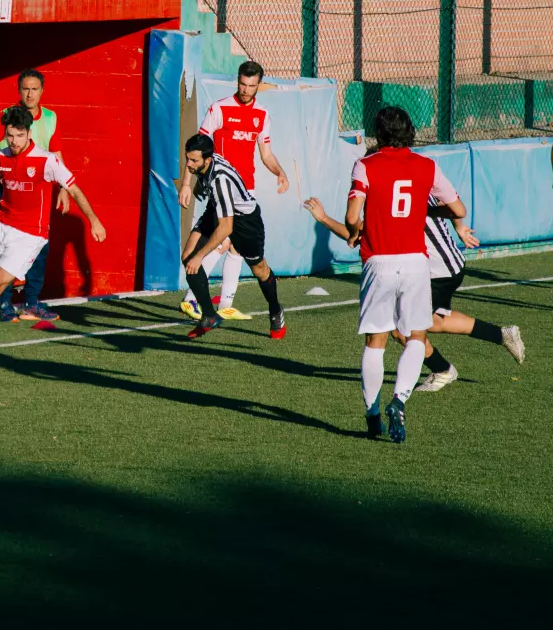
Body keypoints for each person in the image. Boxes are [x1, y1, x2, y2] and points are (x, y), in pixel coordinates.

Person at [304, 195, 524, 391]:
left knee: (402, 329)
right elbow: (452, 198)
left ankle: (443, 370)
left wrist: (323, 218)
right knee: (434, 321)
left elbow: (361, 236)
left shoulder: (387, 195)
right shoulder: (417, 172)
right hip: (443, 265)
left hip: (435, 270)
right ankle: (501, 334)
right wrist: (459, 225)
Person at [344, 105, 465, 443]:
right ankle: (399, 400)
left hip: (378, 261)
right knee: (416, 337)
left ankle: (371, 414)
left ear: (379, 134)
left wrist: (356, 228)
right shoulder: (428, 166)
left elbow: (353, 216)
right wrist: (425, 208)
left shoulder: (365, 165)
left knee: (376, 341)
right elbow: (459, 209)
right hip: (415, 262)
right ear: (409, 131)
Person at [0, 105, 106, 345]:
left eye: (20, 135)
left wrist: (94, 220)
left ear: (29, 134)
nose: (14, 141)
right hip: (0, 227)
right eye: (10, 135)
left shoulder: (46, 160)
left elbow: (73, 188)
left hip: (30, 235)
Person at [179, 61, 288, 322]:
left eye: (251, 86)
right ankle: (192, 299)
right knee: (221, 241)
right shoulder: (220, 108)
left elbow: (266, 153)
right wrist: (186, 184)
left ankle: (224, 304)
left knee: (234, 248)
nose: (246, 90)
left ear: (258, 85)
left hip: (244, 190)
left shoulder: (262, 115)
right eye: (242, 84)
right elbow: (196, 149)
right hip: (219, 188)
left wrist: (280, 172)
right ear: (237, 81)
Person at [0, 69, 66, 323]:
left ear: (42, 91)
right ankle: (2, 303)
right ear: (19, 90)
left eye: (34, 88)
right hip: (12, 193)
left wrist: (64, 190)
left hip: (40, 198)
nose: (30, 93)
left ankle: (31, 303)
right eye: (25, 88)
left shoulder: (50, 117)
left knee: (40, 248)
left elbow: (56, 153)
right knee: (6, 247)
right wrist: (1, 174)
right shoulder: (7, 115)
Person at [180, 133, 285, 341]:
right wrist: (185, 185)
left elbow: (226, 227)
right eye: (187, 159)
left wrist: (201, 257)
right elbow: (194, 168)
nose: (189, 165)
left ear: (207, 160)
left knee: (259, 269)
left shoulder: (221, 181)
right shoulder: (203, 161)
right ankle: (209, 316)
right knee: (188, 256)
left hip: (245, 221)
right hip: (218, 209)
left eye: (193, 161)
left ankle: (275, 310)